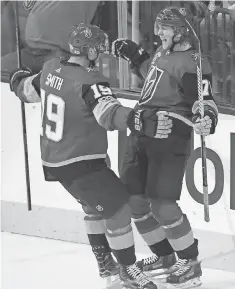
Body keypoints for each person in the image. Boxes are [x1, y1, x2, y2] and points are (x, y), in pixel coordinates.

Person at [9, 23, 175, 289]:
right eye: (97, 47)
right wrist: (138, 120)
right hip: (80, 163)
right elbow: (108, 113)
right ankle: (127, 270)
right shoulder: (90, 80)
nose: (100, 51)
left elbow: (28, 90)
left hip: (58, 160)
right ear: (88, 50)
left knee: (95, 209)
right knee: (119, 209)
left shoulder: (53, 67)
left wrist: (17, 80)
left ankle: (106, 263)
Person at [112, 6, 218, 288]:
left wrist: (206, 116)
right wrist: (137, 57)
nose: (158, 33)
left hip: (171, 135)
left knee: (162, 205)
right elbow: (154, 77)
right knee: (135, 201)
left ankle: (190, 263)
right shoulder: (163, 51)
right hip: (141, 130)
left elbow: (203, 99)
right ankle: (165, 257)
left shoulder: (194, 62)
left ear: (181, 31)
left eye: (164, 28)